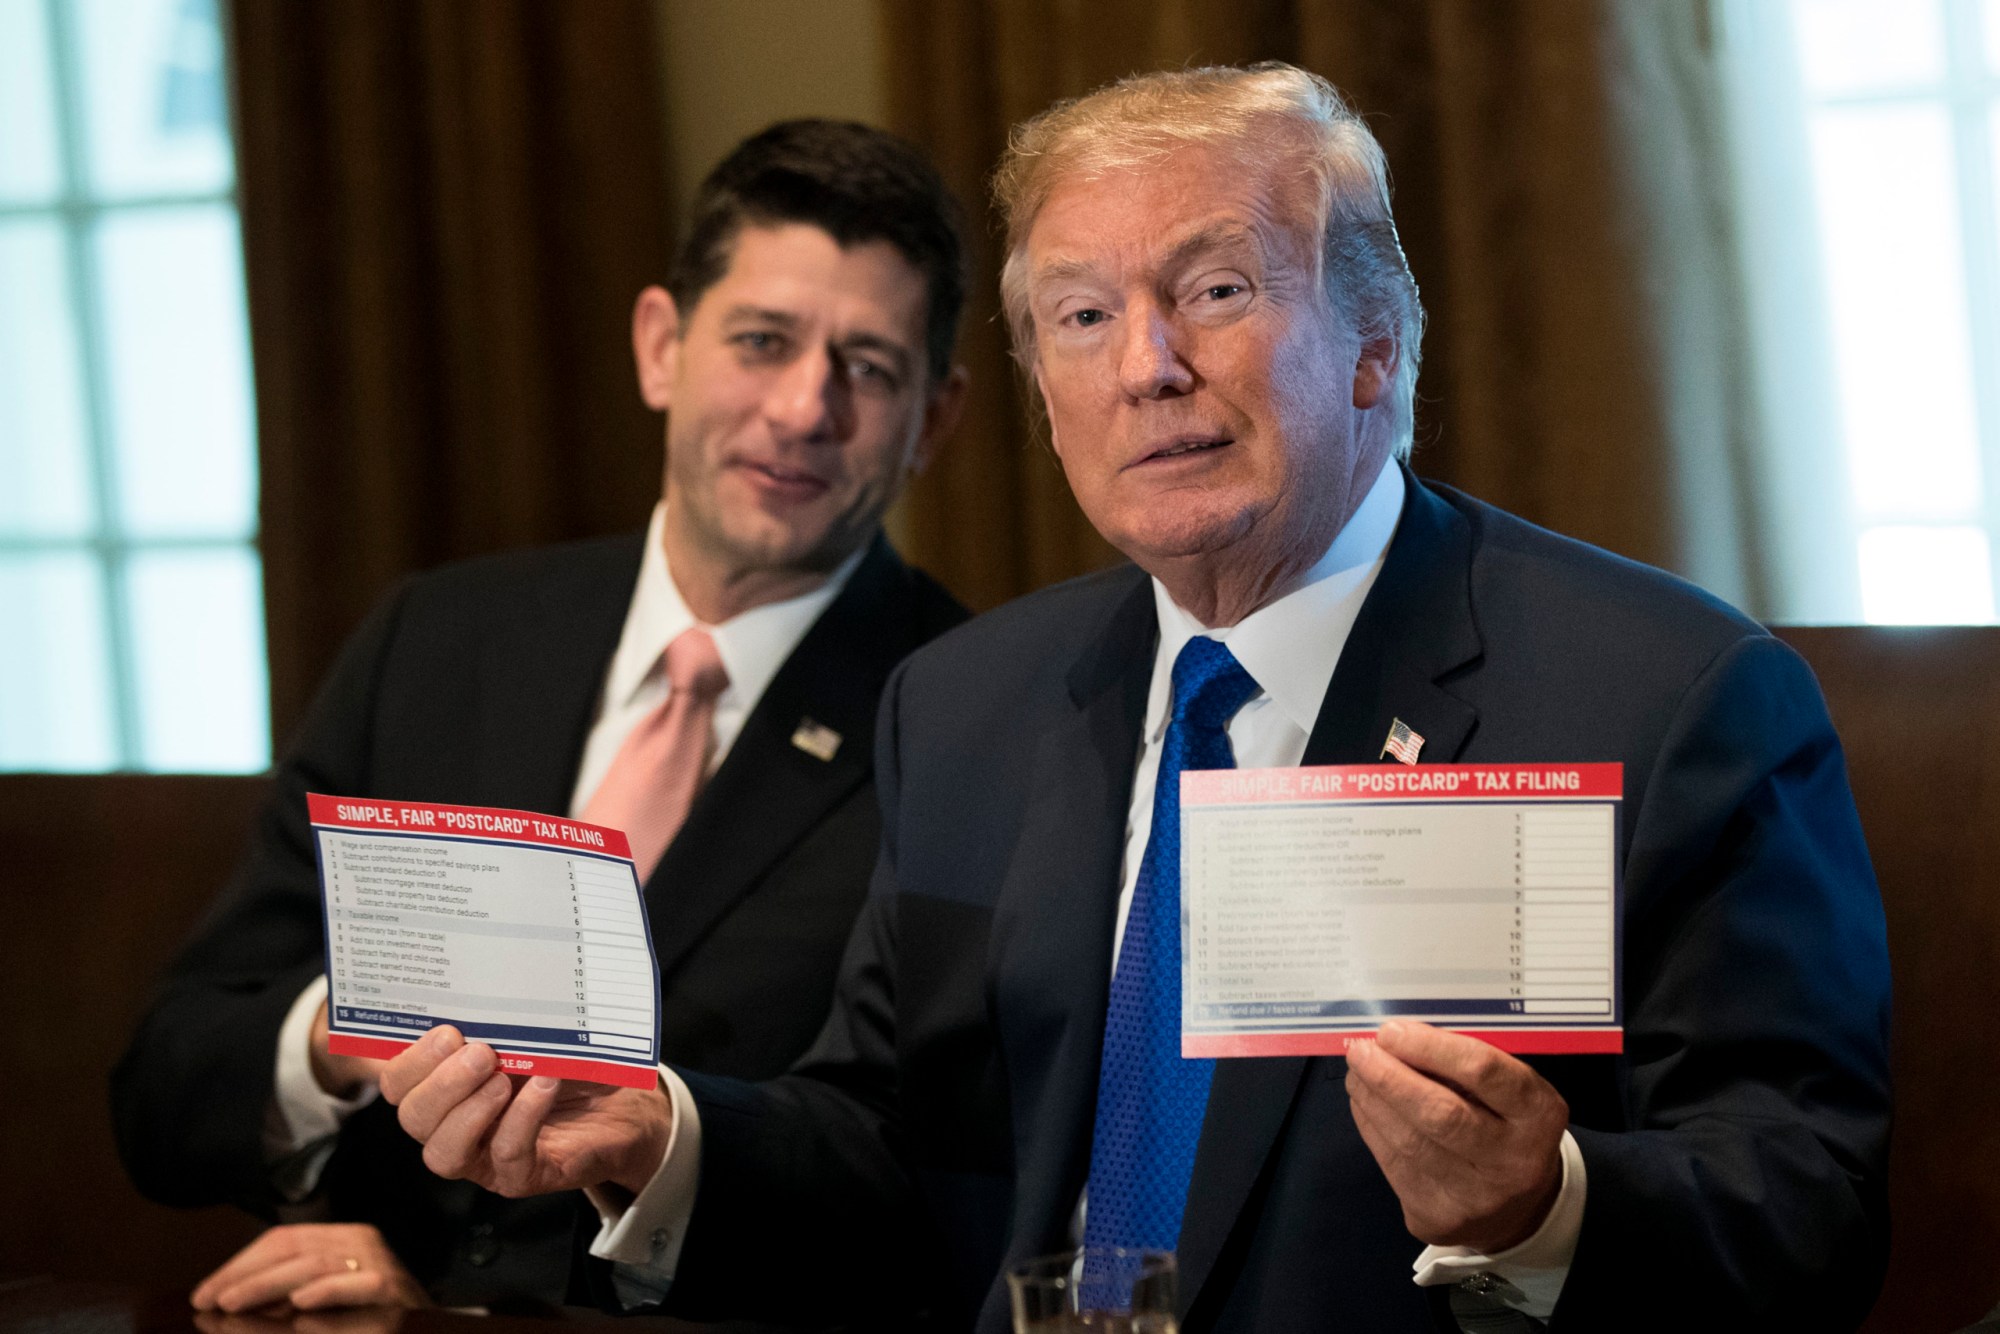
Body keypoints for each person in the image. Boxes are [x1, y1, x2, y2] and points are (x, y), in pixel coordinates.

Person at [371, 65, 1893, 1332]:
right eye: (1083, 318)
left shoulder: (1665, 694)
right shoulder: (965, 703)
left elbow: (1809, 1204)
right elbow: (889, 1159)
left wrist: (1542, 1205)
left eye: (1214, 290)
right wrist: (663, 1139)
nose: (1147, 368)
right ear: (1040, 391)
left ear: (1376, 342)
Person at [109, 118, 970, 1315]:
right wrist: (345, 1039)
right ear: (661, 346)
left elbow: (942, 1188)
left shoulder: (969, 710)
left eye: (867, 367)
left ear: (932, 419)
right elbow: (164, 1085)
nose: (801, 408)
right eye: (761, 341)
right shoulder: (439, 636)